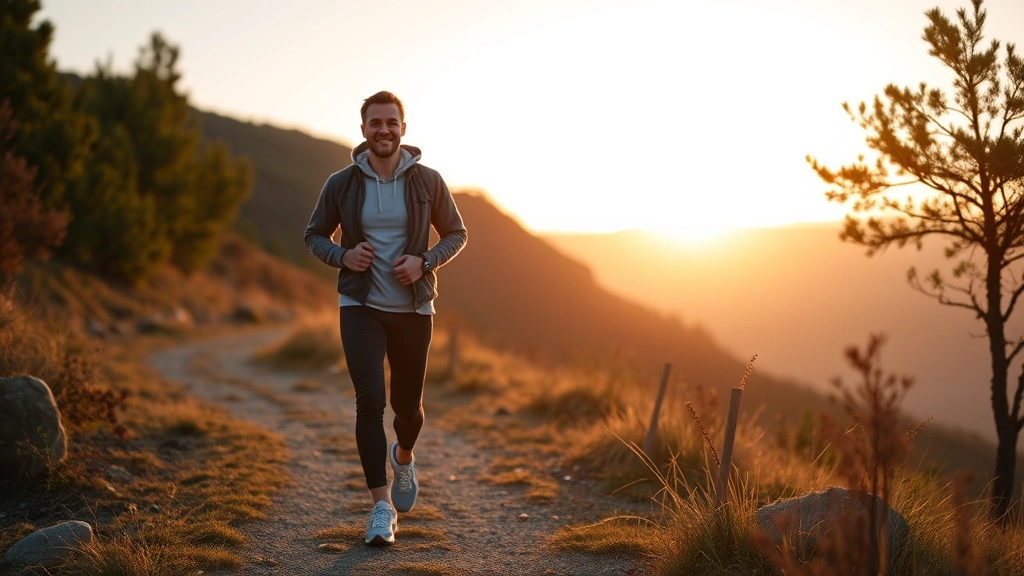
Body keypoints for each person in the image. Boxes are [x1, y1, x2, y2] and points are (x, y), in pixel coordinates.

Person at [304, 91, 467, 546]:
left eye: (391, 122)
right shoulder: (341, 183)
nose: (384, 130)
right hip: (360, 306)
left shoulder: (428, 181)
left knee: (408, 409)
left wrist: (425, 262)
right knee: (369, 399)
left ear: (403, 129)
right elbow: (314, 234)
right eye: (375, 123)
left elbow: (457, 233)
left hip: (414, 309)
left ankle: (404, 454)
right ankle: (381, 507)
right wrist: (342, 255)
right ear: (363, 131)